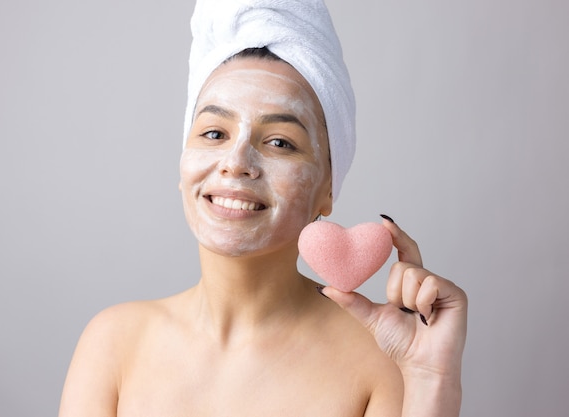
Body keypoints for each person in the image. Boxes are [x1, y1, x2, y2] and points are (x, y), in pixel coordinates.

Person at [58, 1, 467, 416]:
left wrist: (431, 379)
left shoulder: (381, 360)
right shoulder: (113, 344)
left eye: (279, 142)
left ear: (328, 186)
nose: (235, 162)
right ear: (183, 164)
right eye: (214, 133)